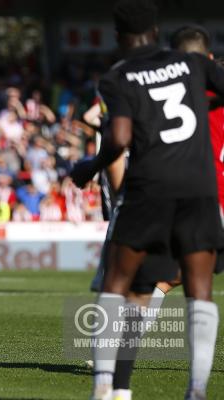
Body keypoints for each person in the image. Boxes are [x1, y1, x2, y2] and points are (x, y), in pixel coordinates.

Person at [70, 1, 224, 399]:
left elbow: (119, 139)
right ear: (155, 32)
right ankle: (197, 389)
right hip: (200, 191)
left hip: (149, 189)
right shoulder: (191, 63)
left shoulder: (119, 76)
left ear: (119, 37)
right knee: (199, 289)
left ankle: (107, 385)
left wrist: (89, 167)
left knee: (119, 283)